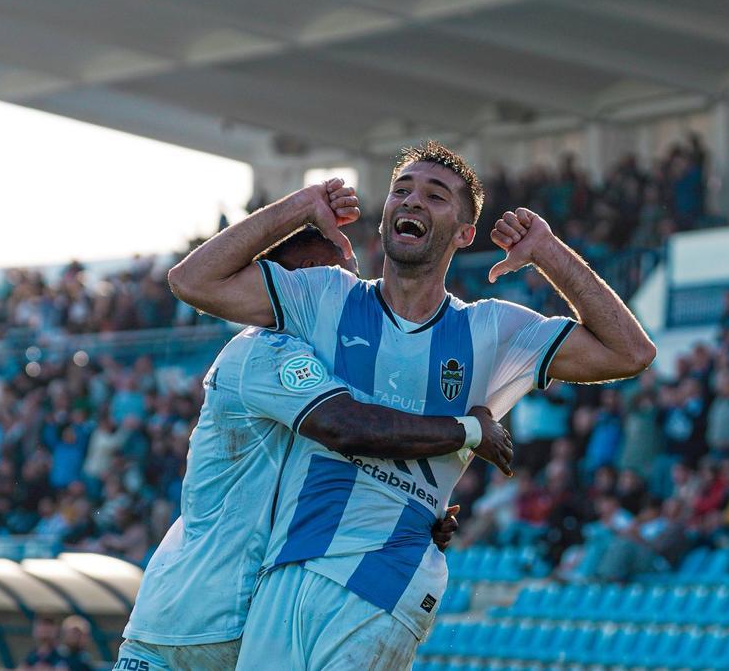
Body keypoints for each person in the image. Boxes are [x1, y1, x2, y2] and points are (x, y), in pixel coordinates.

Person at [168, 142, 655, 668]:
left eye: (436, 195)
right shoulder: (323, 296)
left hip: (386, 580)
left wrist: (548, 252)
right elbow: (192, 281)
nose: (413, 200)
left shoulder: (491, 329)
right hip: (286, 570)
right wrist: (302, 205)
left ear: (465, 234)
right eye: (401, 190)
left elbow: (630, 352)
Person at [117, 227, 514, 670]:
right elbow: (347, 427)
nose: (357, 296)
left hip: (243, 624)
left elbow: (350, 460)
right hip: (188, 624)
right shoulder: (267, 350)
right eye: (345, 277)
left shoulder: (323, 367)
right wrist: (469, 431)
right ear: (310, 275)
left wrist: (414, 513)